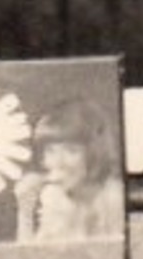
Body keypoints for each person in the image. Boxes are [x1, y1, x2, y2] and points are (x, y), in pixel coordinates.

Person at [14, 99, 124, 243]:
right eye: (50, 151)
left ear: (94, 153)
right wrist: (25, 213)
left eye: (71, 151)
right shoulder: (53, 197)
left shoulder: (113, 197)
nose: (57, 162)